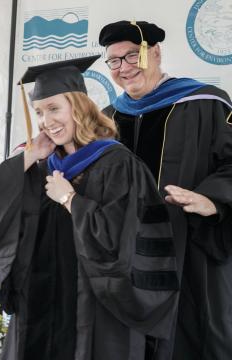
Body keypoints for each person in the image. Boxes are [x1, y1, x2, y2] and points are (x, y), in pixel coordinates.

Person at [0, 55, 179, 360]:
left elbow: (121, 242)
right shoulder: (40, 165)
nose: (46, 121)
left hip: (96, 309)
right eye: (40, 112)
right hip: (40, 305)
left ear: (78, 106)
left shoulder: (117, 164)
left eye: (54, 108)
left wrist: (71, 200)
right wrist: (29, 157)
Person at [99, 20, 232, 359]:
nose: (124, 68)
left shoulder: (206, 103)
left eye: (132, 56)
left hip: (186, 247)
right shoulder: (106, 118)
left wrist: (213, 200)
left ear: (155, 53)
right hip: (126, 255)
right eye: (114, 60)